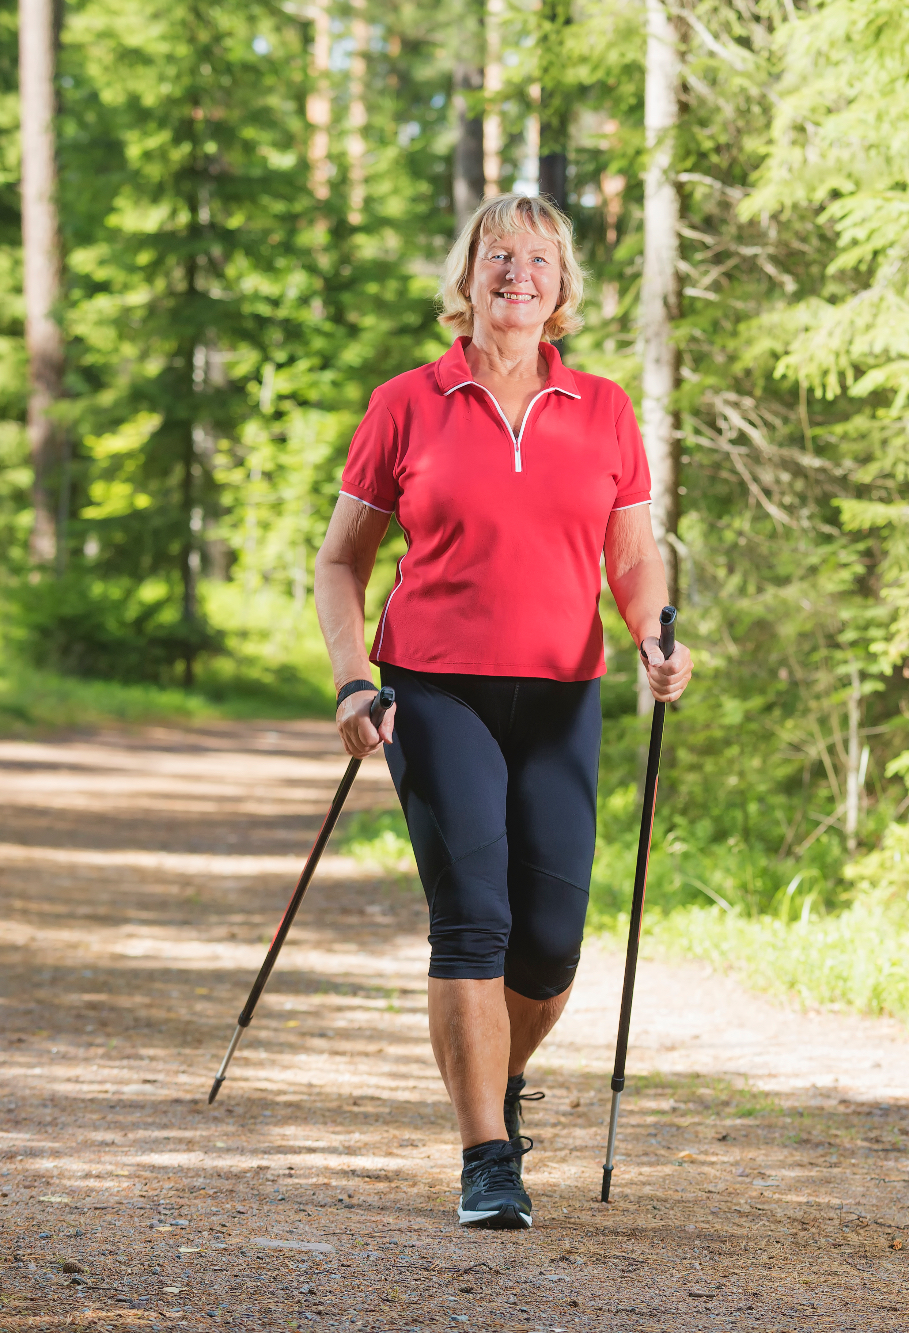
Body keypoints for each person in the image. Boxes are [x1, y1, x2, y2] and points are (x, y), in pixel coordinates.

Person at [313, 194, 692, 1230]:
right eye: (496, 255)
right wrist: (354, 681)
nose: (515, 272)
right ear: (467, 275)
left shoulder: (604, 408)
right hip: (434, 685)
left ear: (562, 289)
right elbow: (341, 560)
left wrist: (657, 634)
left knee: (550, 946)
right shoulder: (407, 401)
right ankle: (486, 1151)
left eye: (537, 259)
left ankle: (494, 1076)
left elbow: (630, 555)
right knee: (472, 918)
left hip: (563, 691)